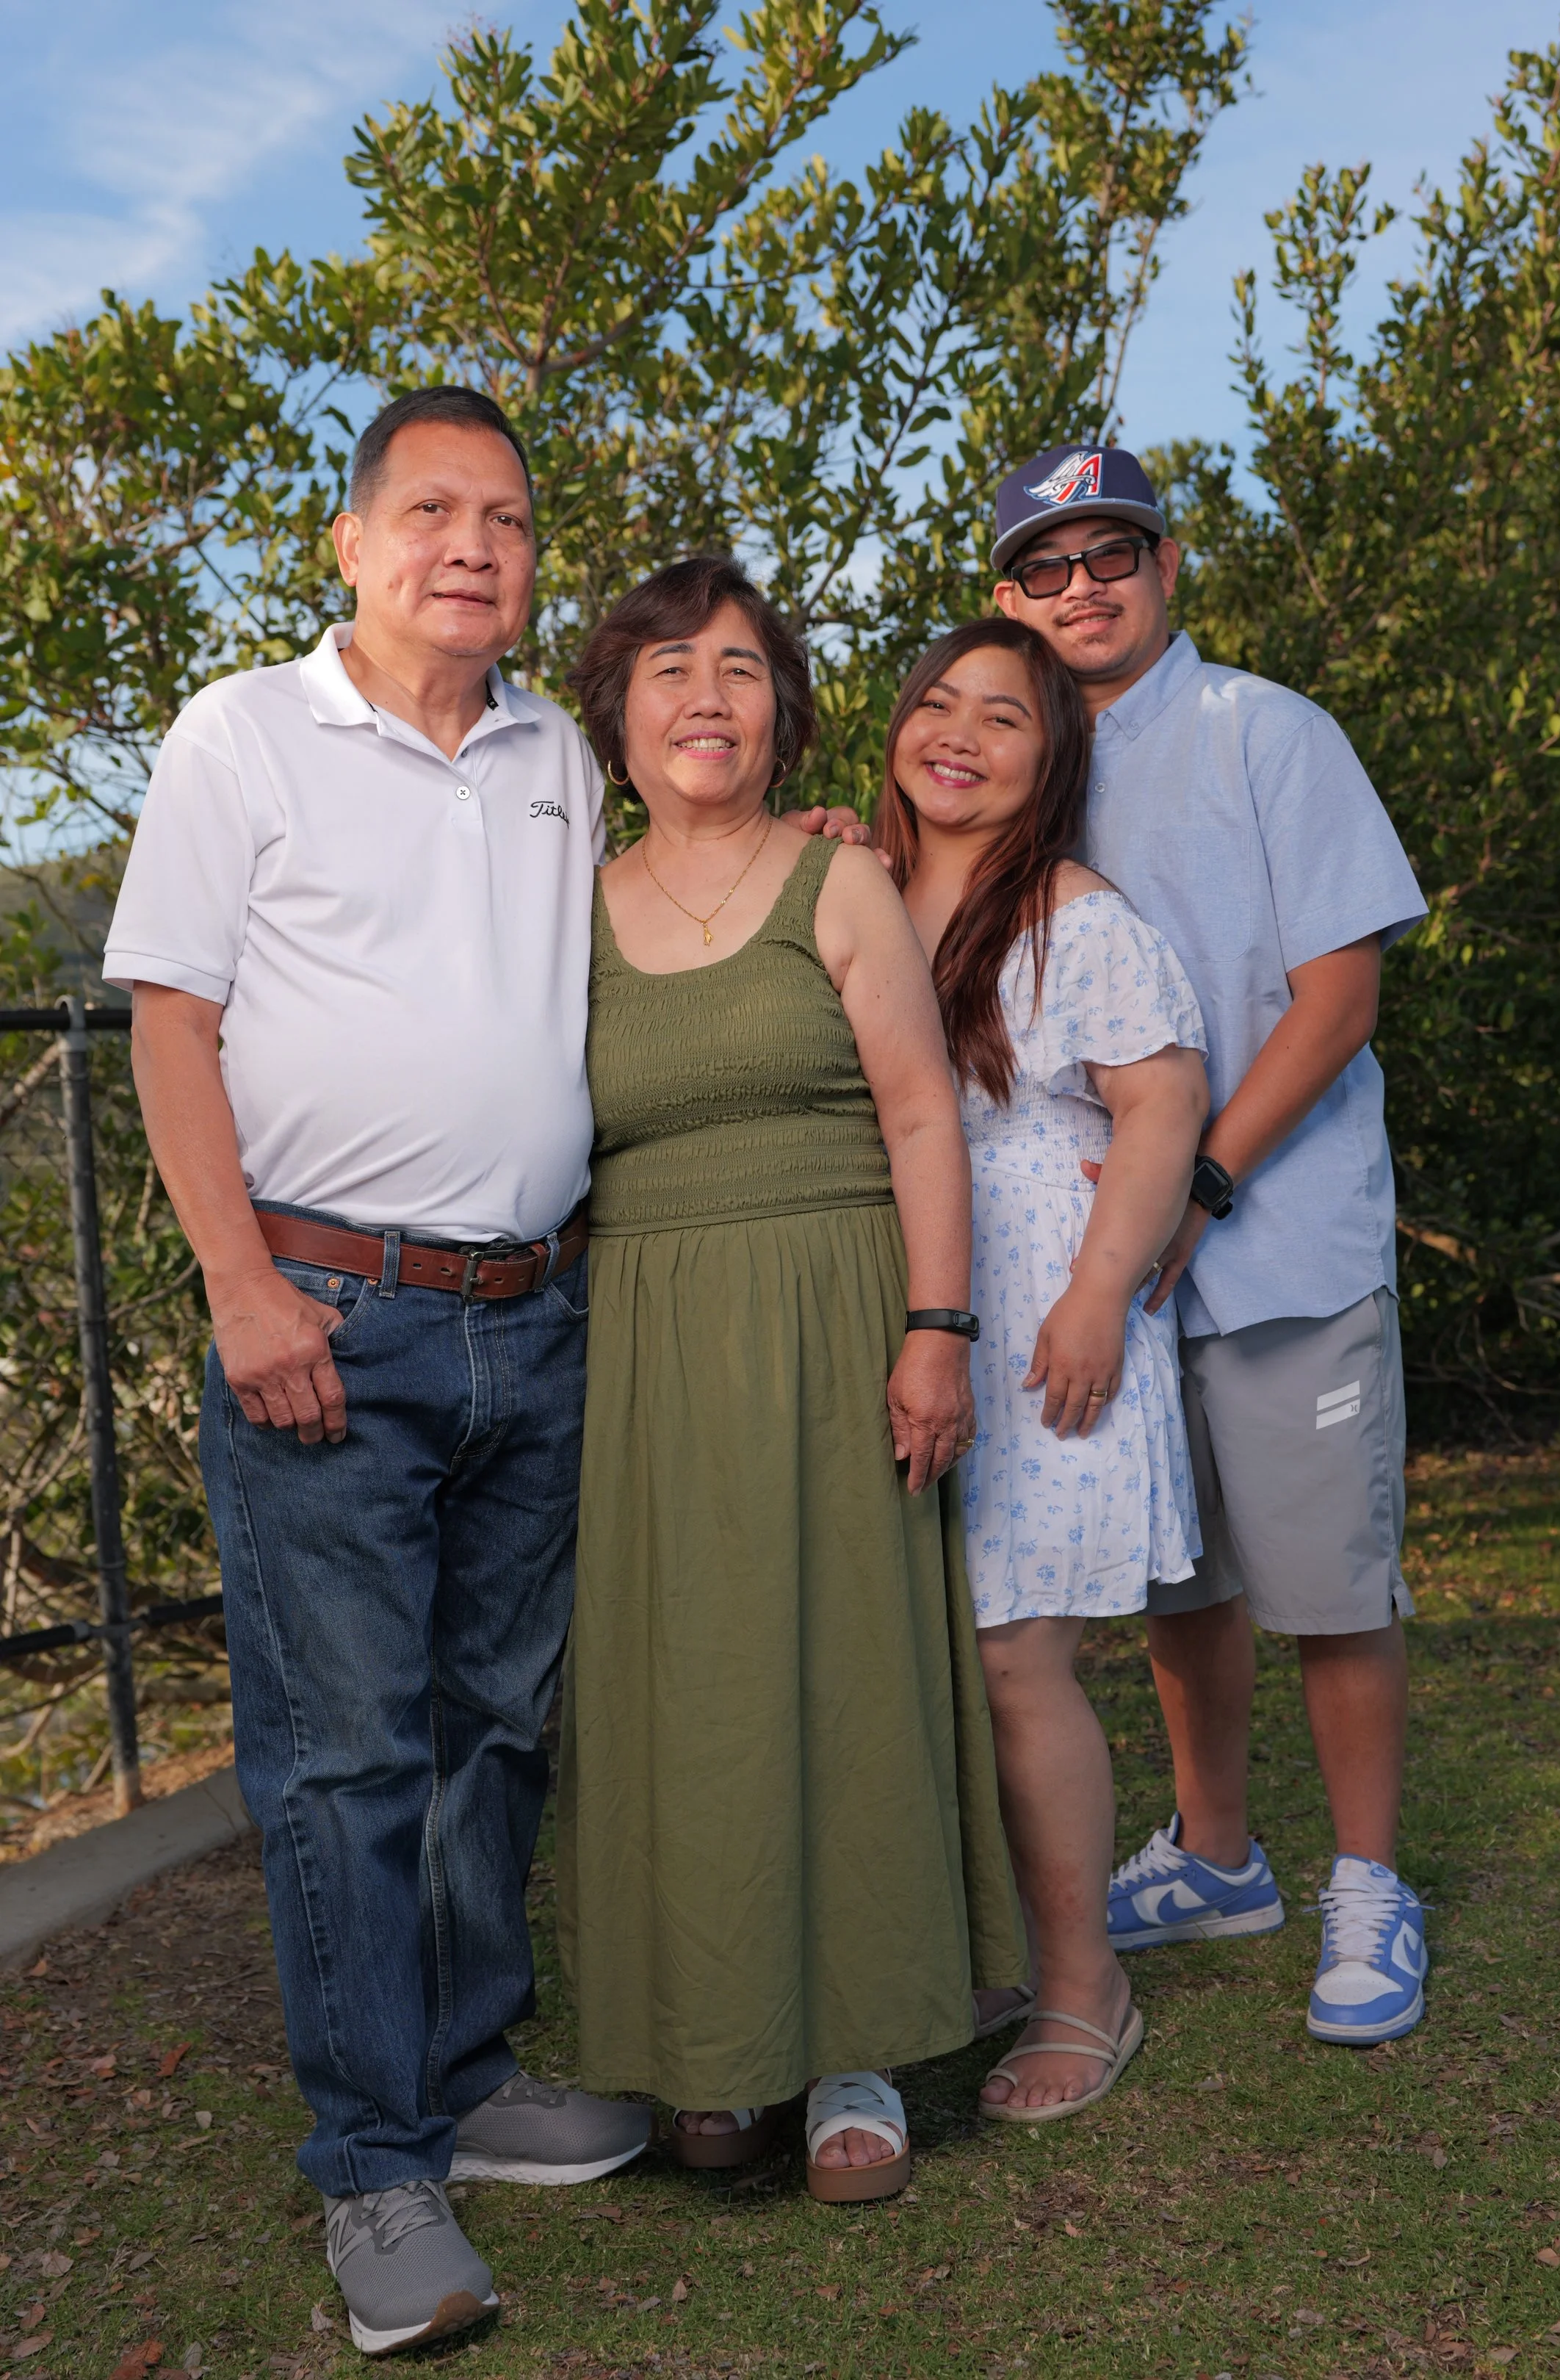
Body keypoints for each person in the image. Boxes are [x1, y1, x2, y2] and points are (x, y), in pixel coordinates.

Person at [102, 389, 856, 2354]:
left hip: (538, 1318)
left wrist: (810, 838)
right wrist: (242, 1291)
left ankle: (469, 2073)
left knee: (496, 1727)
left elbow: (689, 868)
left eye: (509, 521)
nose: (473, 547)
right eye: (431, 510)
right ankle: (373, 2168)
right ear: (349, 542)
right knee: (345, 1759)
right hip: (325, 1322)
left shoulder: (552, 757)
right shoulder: (242, 735)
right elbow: (171, 1029)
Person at [556, 555, 1025, 2203]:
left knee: (845, 1669)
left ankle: (858, 2051)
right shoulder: (563, 910)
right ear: (616, 712)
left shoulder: (837, 889)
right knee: (686, 1692)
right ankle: (715, 2045)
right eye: (672, 667)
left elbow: (918, 1115)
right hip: (652, 1341)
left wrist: (937, 1329)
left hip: (837, 1317)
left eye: (743, 669)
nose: (707, 696)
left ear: (785, 714)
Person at [989, 441, 1431, 2046]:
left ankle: (1371, 1884)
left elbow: (1339, 997)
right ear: (1007, 599)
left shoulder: (1266, 732)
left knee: (1327, 1584)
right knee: (1186, 1582)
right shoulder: (1020, 759)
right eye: (1048, 565)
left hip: (1279, 1238)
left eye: (1114, 554)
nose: (1083, 586)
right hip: (1117, 1263)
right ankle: (1221, 1855)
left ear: (1170, 569)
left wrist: (1205, 1187)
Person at [878, 619, 1209, 2119]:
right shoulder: (861, 895)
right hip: (903, 1315)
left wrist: (1099, 1292)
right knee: (937, 1656)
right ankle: (985, 1961)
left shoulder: (1072, 914)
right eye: (936, 704)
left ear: (1052, 756)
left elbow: (1162, 1107)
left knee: (1020, 1661)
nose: (958, 733)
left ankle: (1090, 1994)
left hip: (1039, 1327)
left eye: (1001, 717)